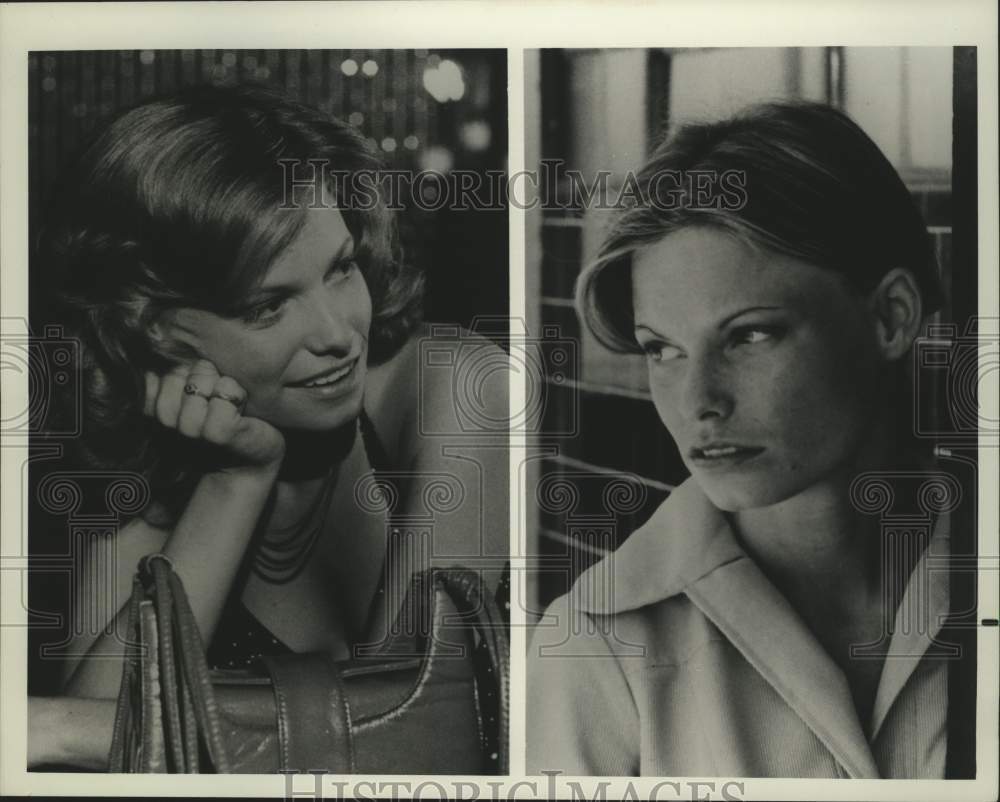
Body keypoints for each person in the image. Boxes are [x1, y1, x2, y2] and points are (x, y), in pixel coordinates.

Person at [27, 84, 508, 768]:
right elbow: (86, 773)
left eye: (341, 269)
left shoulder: (461, 387)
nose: (338, 333)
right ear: (153, 328)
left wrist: (62, 729)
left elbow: (414, 737)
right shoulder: (160, 458)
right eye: (269, 306)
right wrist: (236, 480)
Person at [527, 101, 957, 778]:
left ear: (891, 317)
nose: (700, 401)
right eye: (661, 350)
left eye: (749, 335)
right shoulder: (598, 643)